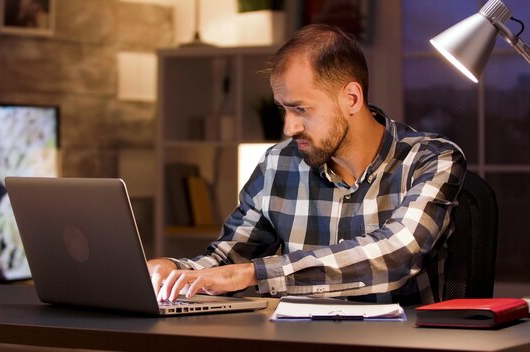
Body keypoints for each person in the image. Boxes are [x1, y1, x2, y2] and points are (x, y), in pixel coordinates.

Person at [149, 24, 466, 305]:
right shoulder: (278, 163)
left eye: (300, 109)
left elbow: (395, 255)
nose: (289, 127)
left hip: (398, 345)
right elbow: (228, 260)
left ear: (352, 98)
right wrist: (175, 270)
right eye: (283, 109)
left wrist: (254, 274)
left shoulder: (431, 159)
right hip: (297, 343)